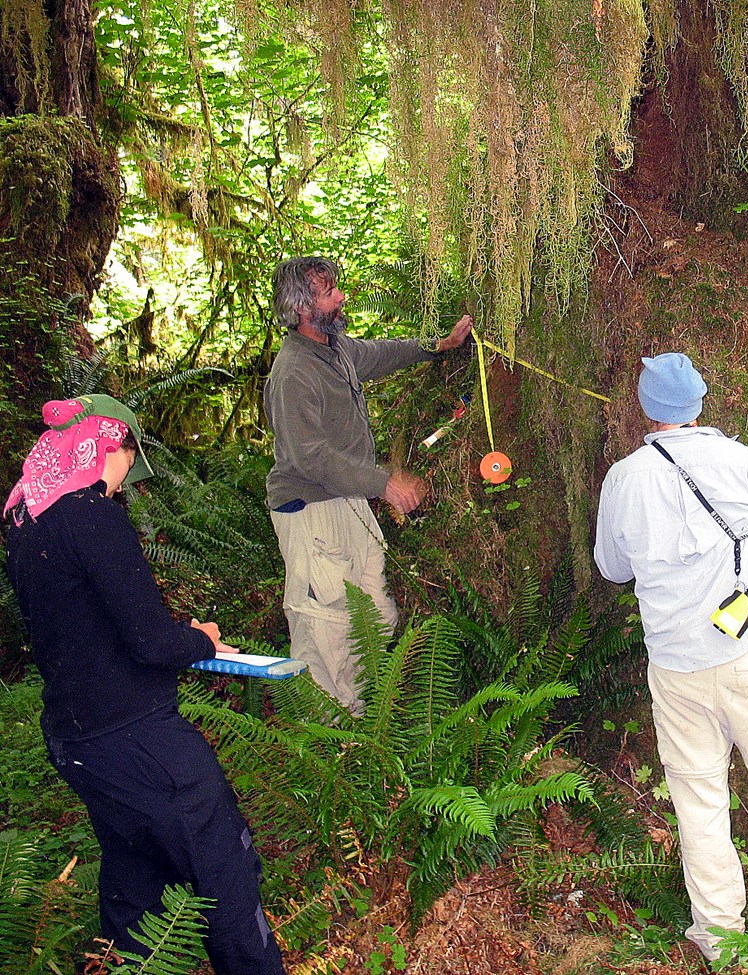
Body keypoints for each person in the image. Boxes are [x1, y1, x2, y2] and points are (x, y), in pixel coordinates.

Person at [3, 395, 285, 973]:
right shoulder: (92, 515)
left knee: (135, 873)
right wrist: (201, 640)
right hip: (135, 735)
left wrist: (178, 634)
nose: (126, 476)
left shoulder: (26, 521)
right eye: (129, 459)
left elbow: (91, 627)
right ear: (111, 445)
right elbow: (150, 642)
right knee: (221, 866)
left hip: (77, 740)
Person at [594, 353, 748, 962]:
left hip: (677, 668)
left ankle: (719, 936)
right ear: (700, 403)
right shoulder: (743, 462)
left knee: (698, 801)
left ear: (647, 408)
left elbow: (611, 567)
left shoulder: (624, 477)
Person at [263, 256, 472, 710]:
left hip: (348, 504)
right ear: (302, 307)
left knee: (374, 614)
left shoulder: (336, 350)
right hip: (311, 512)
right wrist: (384, 483)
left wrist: (439, 344)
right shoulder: (293, 373)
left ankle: (367, 724)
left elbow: (382, 354)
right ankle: (331, 737)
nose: (340, 297)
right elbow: (309, 455)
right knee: (326, 627)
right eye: (329, 291)